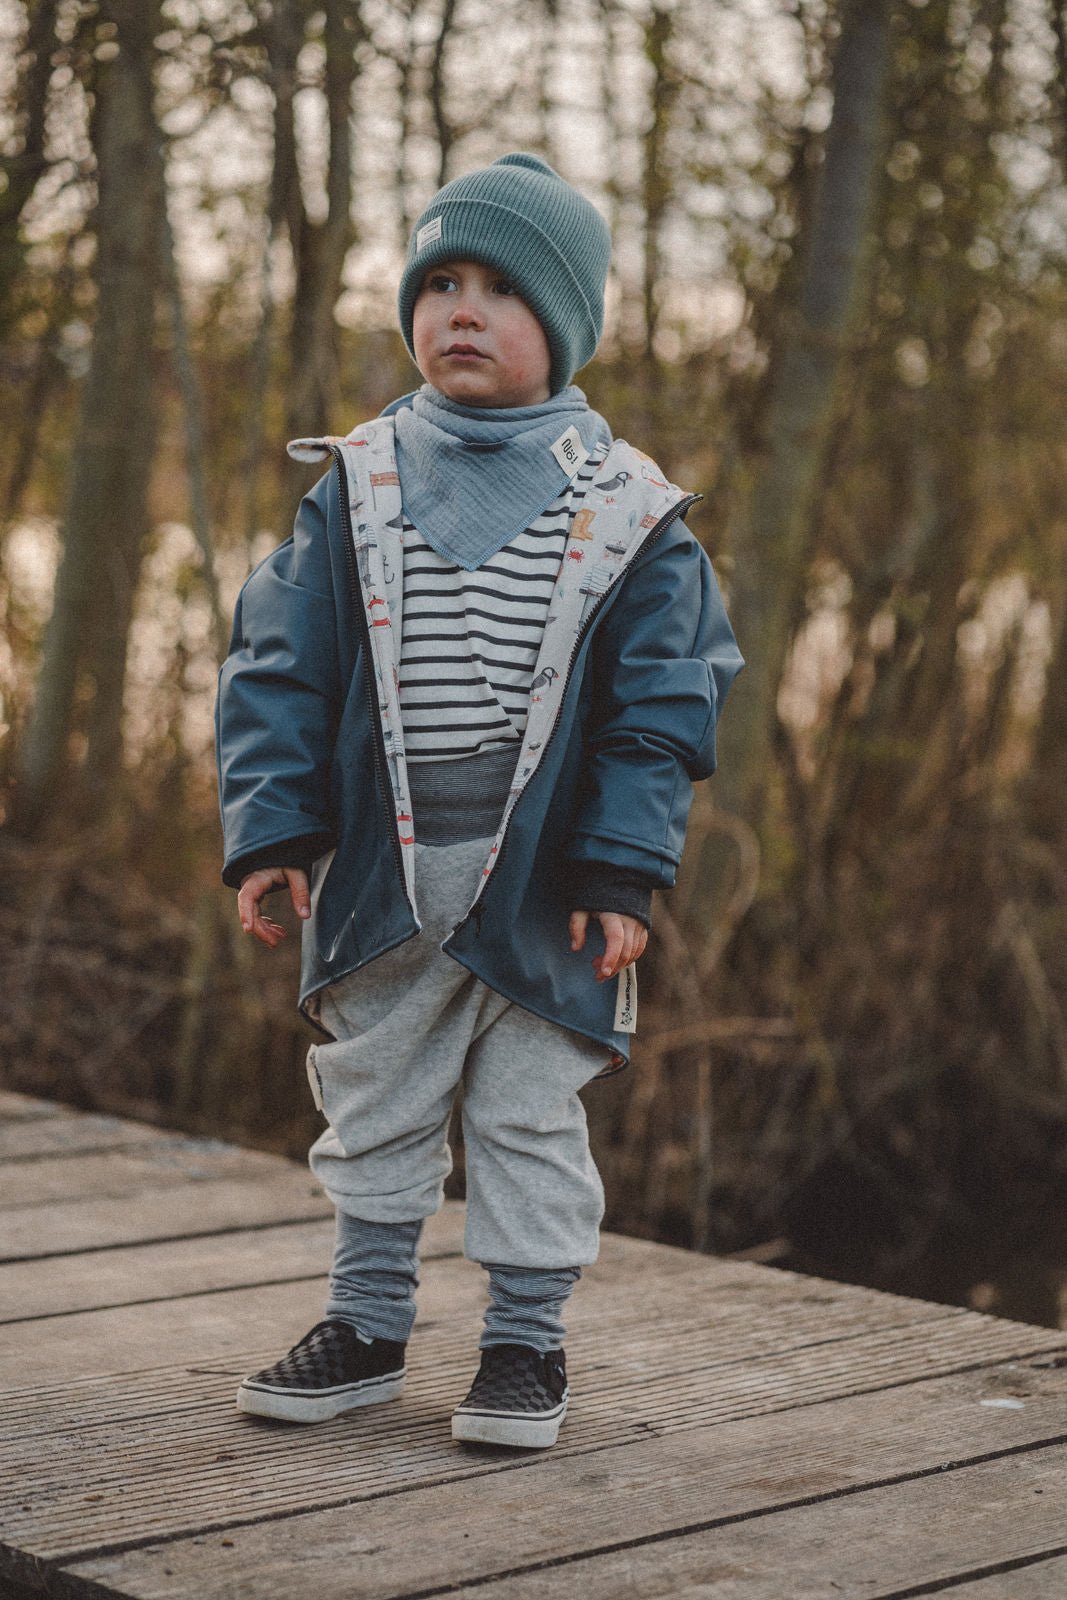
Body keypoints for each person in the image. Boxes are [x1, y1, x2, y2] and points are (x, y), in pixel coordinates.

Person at [215, 152, 743, 1450]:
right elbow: (281, 661)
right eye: (439, 279)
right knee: (376, 1099)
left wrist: (625, 865)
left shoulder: (630, 514)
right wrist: (273, 827)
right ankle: (366, 1323)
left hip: (545, 888)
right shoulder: (360, 484)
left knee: (523, 1114)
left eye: (501, 289)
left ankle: (523, 1345)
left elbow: (663, 706)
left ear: (562, 324)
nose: (462, 308)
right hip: (388, 881)